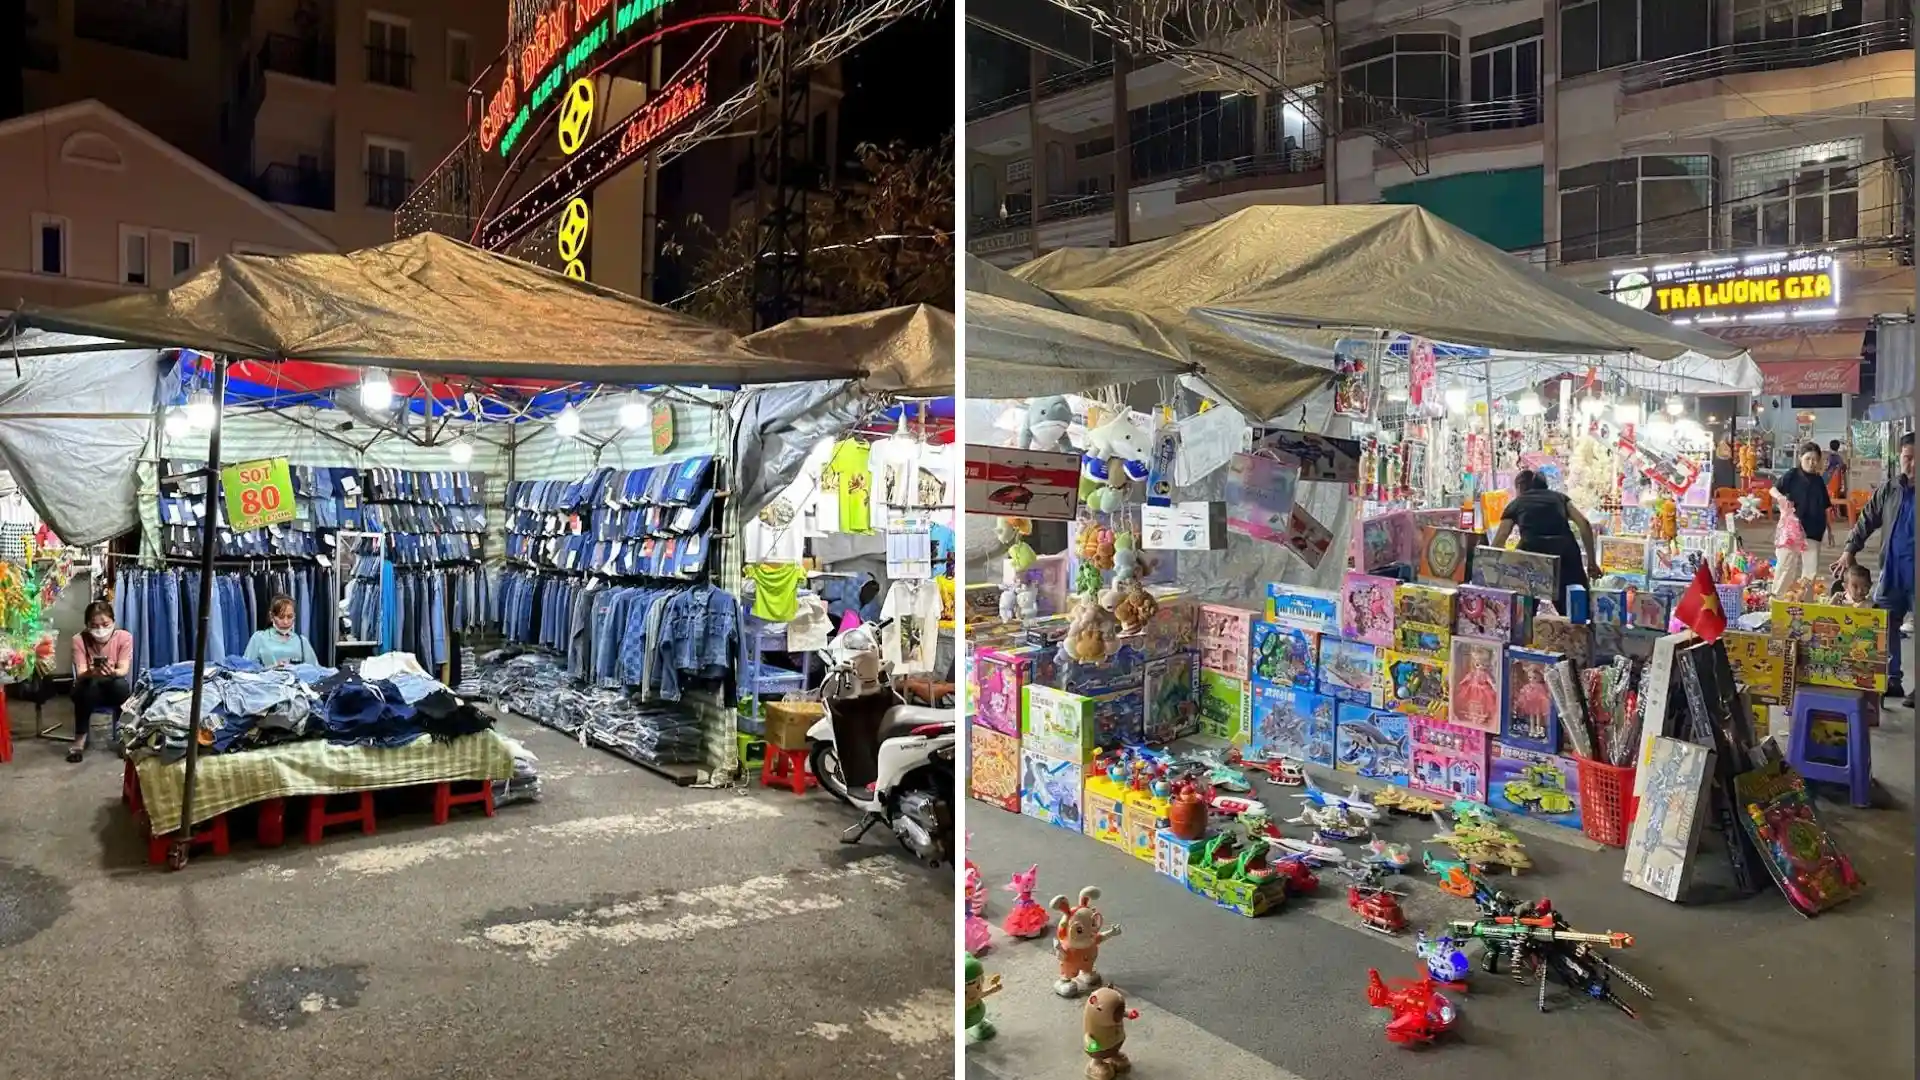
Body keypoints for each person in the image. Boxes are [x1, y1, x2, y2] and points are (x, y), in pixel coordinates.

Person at [1835, 431, 1914, 707]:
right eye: (1908, 458)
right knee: (1885, 623)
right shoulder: (1890, 489)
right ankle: (1891, 679)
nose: (1912, 464)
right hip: (1892, 570)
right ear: (1900, 458)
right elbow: (1867, 518)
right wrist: (1849, 550)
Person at [1490, 470, 1600, 614]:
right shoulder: (1561, 498)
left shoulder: (1516, 504)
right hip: (1566, 557)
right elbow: (1584, 524)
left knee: (1523, 617)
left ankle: (1526, 632)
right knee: (1577, 614)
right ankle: (1581, 634)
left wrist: (1493, 570)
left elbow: (1499, 540)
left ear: (1520, 487)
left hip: (1532, 561)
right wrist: (1591, 563)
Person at [69, 600, 132, 762]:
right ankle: (80, 738)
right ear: (87, 625)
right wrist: (92, 672)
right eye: (94, 625)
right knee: (85, 688)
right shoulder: (79, 640)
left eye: (105, 624)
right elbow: (81, 672)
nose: (100, 630)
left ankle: (121, 736)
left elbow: (124, 669)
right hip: (89, 686)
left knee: (121, 685)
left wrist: (112, 671)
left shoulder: (124, 637)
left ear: (113, 622)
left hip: (112, 685)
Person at [1771, 442, 1833, 599]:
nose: (1812, 463)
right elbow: (1773, 489)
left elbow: (1825, 507)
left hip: (1814, 531)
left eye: (1815, 459)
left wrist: (1830, 530)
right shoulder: (1792, 475)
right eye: (1808, 459)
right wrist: (1781, 497)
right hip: (1792, 531)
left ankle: (1804, 603)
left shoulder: (1819, 481)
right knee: (1785, 566)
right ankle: (1777, 599)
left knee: (1810, 571)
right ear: (1800, 458)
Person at [244, 595, 317, 669]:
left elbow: (315, 670)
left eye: (289, 617)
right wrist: (270, 668)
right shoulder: (259, 638)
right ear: (272, 616)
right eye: (281, 617)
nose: (285, 622)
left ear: (294, 616)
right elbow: (245, 669)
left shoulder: (302, 641)